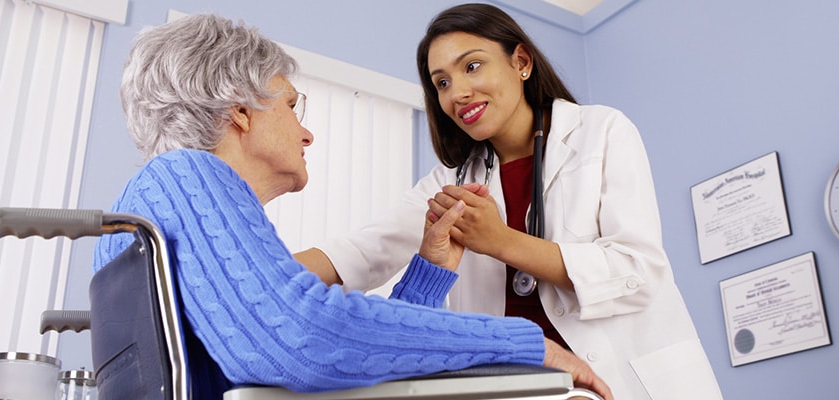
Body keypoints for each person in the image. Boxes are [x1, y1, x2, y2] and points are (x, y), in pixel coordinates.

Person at [92, 13, 612, 400]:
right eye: (292, 106)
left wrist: (428, 275)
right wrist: (526, 344)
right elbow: (304, 336)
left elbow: (354, 354)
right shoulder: (188, 177)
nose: (306, 132)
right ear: (241, 113)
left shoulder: (156, 201)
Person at [295, 3, 723, 399]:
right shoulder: (450, 182)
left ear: (521, 62)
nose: (457, 93)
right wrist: (258, 271)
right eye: (442, 82)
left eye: (472, 66)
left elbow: (638, 271)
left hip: (630, 382)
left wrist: (500, 241)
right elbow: (360, 253)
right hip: (526, 388)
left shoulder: (602, 131)